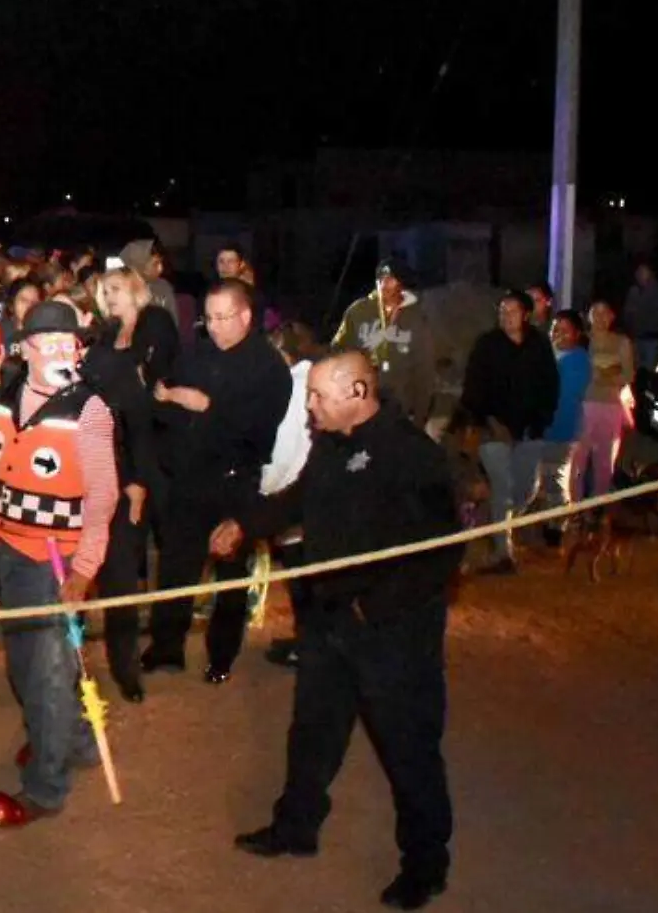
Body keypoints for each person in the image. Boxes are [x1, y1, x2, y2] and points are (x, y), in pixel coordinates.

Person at [215, 350, 461, 911]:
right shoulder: (331, 443)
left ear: (358, 393)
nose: (310, 407)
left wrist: (373, 609)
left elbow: (442, 554)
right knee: (313, 731)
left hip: (393, 635)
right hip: (329, 619)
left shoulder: (412, 456)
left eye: (319, 396)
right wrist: (246, 525)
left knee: (408, 749)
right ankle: (296, 826)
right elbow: (300, 499)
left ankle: (425, 864)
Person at [0, 301, 119, 827]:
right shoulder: (10, 394)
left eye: (69, 343)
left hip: (56, 557)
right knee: (24, 661)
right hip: (12, 548)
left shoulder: (90, 409)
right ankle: (65, 740)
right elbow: (2, 457)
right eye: (49, 343)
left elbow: (103, 495)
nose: (61, 352)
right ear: (26, 350)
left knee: (48, 674)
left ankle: (45, 787)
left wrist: (84, 569)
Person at [147, 280, 290, 684]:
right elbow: (167, 404)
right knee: (176, 566)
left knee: (230, 573)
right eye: (208, 318)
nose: (213, 326)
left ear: (245, 316)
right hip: (189, 479)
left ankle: (221, 655)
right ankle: (166, 647)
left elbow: (257, 429)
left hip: (234, 483)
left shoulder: (268, 367)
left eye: (222, 317)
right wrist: (171, 403)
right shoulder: (196, 355)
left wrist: (207, 407)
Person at [80, 267, 177, 702]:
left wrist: (136, 480)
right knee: (81, 571)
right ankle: (72, 665)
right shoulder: (103, 341)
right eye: (105, 291)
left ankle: (126, 667)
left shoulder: (155, 329)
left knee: (121, 573)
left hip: (133, 468)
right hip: (92, 468)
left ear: (137, 290)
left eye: (117, 288)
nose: (110, 296)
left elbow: (141, 419)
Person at [460, 290, 559, 573]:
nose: (506, 316)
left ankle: (491, 522)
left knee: (526, 490)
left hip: (530, 429)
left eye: (512, 310)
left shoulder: (539, 344)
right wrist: (484, 419)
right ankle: (503, 553)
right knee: (502, 487)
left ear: (526, 314)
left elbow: (550, 385)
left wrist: (541, 420)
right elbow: (473, 388)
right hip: (493, 430)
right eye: (502, 310)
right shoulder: (487, 345)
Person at [260, 321, 322, 669]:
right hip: (314, 492)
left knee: (303, 579)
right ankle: (309, 639)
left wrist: (267, 490)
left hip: (294, 494)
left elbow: (284, 449)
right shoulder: (314, 380)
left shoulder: (293, 388)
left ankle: (309, 644)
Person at [332, 258, 437, 426]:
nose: (384, 284)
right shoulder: (358, 312)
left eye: (391, 279)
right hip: (361, 407)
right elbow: (337, 350)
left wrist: (419, 417)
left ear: (402, 284)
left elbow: (424, 371)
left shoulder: (416, 319)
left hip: (399, 410)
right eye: (380, 278)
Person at [573, 299, 635, 504]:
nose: (600, 318)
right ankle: (574, 507)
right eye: (595, 313)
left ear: (612, 316)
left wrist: (604, 376)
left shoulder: (621, 342)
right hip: (582, 405)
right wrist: (605, 372)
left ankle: (598, 506)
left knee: (605, 462)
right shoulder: (580, 340)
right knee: (577, 460)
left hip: (610, 405)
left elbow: (628, 374)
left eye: (604, 313)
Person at [539, 310, 592, 542]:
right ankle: (553, 522)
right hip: (544, 427)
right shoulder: (550, 354)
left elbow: (566, 395)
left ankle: (558, 527)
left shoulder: (578, 360)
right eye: (555, 329)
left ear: (577, 334)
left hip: (562, 427)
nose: (558, 334)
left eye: (565, 330)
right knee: (546, 478)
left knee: (555, 479)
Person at [624, 262, 658, 372]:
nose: (639, 275)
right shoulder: (633, 291)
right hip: (636, 338)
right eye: (638, 272)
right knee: (636, 370)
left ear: (650, 273)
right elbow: (628, 313)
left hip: (652, 339)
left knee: (650, 370)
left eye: (642, 271)